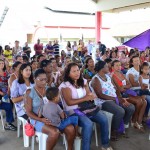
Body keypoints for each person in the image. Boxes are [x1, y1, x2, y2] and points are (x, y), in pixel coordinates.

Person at [59, 63, 113, 150]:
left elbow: (88, 94)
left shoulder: (83, 81)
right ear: (68, 74)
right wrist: (86, 98)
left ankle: (105, 145)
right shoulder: (65, 85)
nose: (77, 73)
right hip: (73, 110)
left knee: (104, 119)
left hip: (86, 107)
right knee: (88, 124)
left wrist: (91, 97)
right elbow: (69, 102)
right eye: (74, 71)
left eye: (77, 70)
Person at [25, 68, 75, 150]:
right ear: (34, 79)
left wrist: (61, 112)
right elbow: (28, 112)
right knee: (54, 132)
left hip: (54, 116)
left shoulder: (49, 89)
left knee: (71, 129)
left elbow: (57, 102)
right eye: (41, 80)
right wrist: (41, 119)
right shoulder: (30, 92)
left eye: (45, 79)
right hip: (38, 119)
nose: (44, 82)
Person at [91, 60, 135, 139]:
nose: (108, 67)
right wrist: (115, 99)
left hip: (114, 99)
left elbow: (116, 89)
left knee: (131, 108)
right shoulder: (96, 79)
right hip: (103, 102)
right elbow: (100, 95)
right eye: (106, 66)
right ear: (101, 69)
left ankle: (122, 127)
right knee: (120, 111)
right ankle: (113, 131)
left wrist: (120, 98)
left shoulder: (108, 77)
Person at [111, 60, 146, 132]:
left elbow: (129, 84)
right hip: (121, 95)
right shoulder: (112, 76)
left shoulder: (121, 74)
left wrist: (124, 86)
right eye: (116, 65)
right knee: (139, 101)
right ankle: (134, 121)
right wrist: (125, 86)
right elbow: (120, 89)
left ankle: (137, 121)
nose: (118, 67)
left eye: (119, 65)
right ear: (112, 67)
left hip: (128, 92)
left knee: (144, 101)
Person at [0, 59, 17, 131]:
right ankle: (9, 122)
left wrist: (9, 91)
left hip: (7, 92)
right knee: (8, 104)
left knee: (10, 103)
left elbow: (10, 82)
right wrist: (1, 93)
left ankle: (9, 122)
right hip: (1, 94)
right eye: (0, 63)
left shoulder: (6, 73)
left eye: (2, 63)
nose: (1, 64)